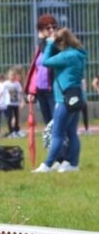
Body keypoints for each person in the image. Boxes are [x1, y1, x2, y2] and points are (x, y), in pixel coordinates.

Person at [32, 27, 86, 173]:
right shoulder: (79, 53)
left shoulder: (67, 55)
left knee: (57, 134)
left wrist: (49, 43)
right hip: (76, 97)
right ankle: (73, 164)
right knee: (71, 133)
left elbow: (46, 61)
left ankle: (47, 165)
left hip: (64, 99)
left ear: (61, 41)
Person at [23, 14, 57, 125]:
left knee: (56, 123)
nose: (51, 29)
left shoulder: (57, 44)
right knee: (48, 124)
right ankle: (52, 143)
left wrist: (43, 39)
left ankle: (61, 143)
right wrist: (32, 91)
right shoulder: (40, 46)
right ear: (41, 29)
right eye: (48, 28)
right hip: (41, 91)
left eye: (54, 27)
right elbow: (35, 71)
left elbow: (49, 50)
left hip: (52, 90)